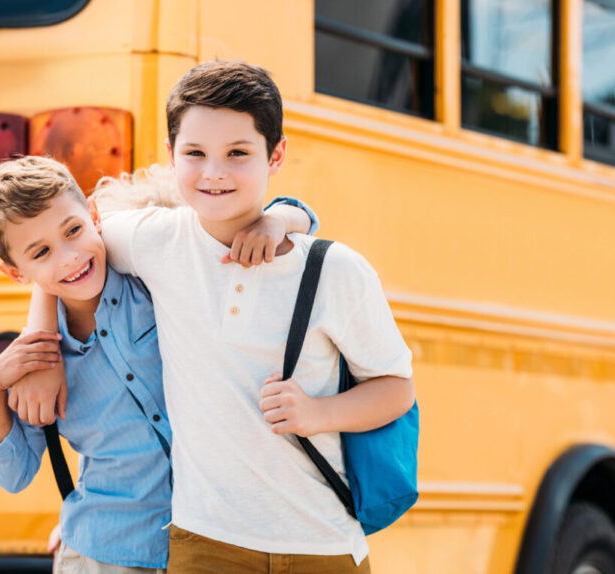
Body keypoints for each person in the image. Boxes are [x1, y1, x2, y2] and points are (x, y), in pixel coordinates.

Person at [25, 60, 415, 574]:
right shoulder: (152, 240)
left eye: (238, 153)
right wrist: (41, 347)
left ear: (275, 155)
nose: (214, 172)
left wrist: (319, 414)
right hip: (204, 544)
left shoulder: (334, 270)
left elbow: (396, 388)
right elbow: (62, 258)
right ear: (170, 156)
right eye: (194, 153)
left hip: (323, 542)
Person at [0, 155, 318, 574]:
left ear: (95, 216)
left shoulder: (155, 282)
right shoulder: (34, 363)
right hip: (103, 549)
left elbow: (296, 219)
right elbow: (15, 475)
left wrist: (276, 221)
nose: (69, 258)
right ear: (15, 273)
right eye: (41, 252)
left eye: (74, 231)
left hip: (211, 545)